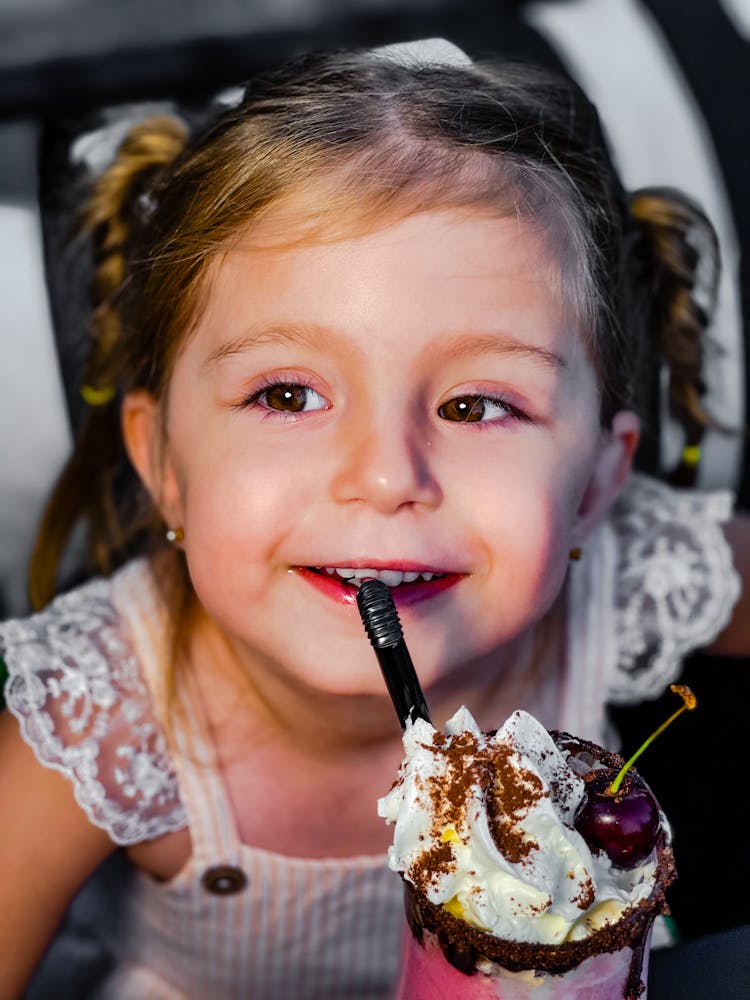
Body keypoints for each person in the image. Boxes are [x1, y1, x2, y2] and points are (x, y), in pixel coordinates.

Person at [0, 37, 748, 1000]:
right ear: (164, 465)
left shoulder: (624, 572)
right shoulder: (108, 714)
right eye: (286, 395)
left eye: (477, 406)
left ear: (597, 485)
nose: (386, 476)